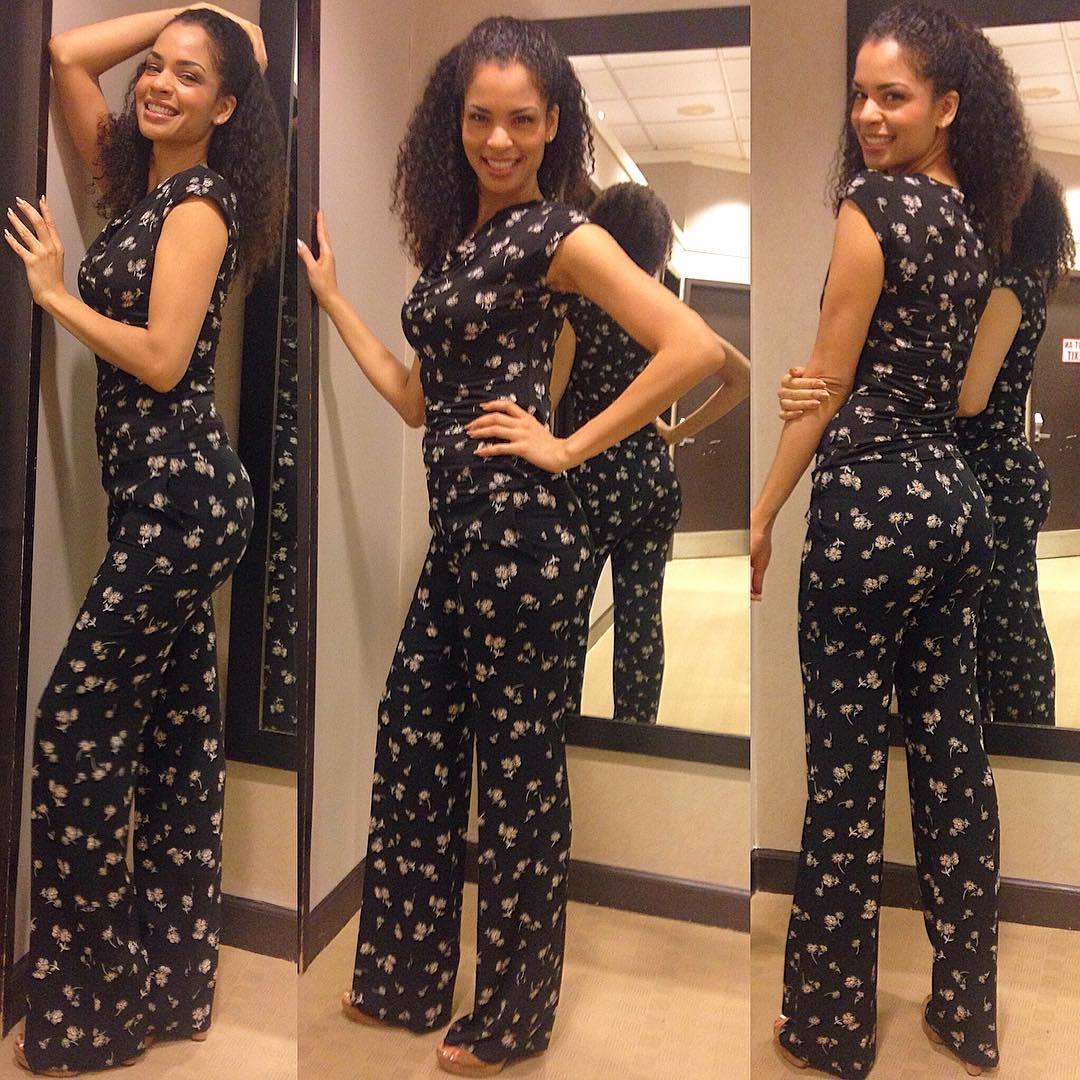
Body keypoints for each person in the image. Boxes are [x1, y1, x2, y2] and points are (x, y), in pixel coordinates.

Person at [298, 16, 740, 1076]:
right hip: (459, 544)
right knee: (413, 744)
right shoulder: (458, 241)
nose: (498, 140)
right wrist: (336, 302)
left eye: (522, 121)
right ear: (452, 123)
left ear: (553, 127)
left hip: (523, 545)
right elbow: (417, 400)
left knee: (518, 781)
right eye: (480, 118)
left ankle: (513, 1014)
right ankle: (405, 978)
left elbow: (694, 346)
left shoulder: (559, 235)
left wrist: (568, 443)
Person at [749, 3, 1030, 1075]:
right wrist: (840, 384)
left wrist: (763, 509)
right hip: (953, 509)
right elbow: (952, 392)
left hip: (869, 509)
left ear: (947, 106)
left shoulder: (871, 205)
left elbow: (824, 387)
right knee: (954, 762)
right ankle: (968, 1008)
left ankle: (829, 1026)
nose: (868, 115)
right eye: (860, 95)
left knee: (846, 777)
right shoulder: (972, 225)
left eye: (894, 96)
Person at [5, 5, 284, 1073]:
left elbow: (165, 359)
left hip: (184, 501)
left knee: (72, 724)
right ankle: (170, 986)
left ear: (227, 107)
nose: (159, 83)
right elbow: (64, 54)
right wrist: (184, 18)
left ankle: (93, 1013)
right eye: (156, 69)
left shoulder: (201, 203)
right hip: (157, 502)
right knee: (172, 744)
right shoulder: (138, 188)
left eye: (190, 76)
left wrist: (51, 294)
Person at [779, 167, 1074, 729]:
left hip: (993, 466)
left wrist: (887, 373)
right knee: (1002, 614)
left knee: (1007, 620)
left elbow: (969, 396)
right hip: (995, 467)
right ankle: (1013, 728)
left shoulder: (1008, 286)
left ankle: (1025, 731)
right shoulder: (1012, 281)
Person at [552, 181, 750, 724]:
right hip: (651, 483)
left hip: (590, 484)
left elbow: (550, 401)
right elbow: (741, 378)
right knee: (642, 617)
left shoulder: (578, 311)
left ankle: (566, 730)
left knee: (569, 618)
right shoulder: (665, 315)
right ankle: (637, 735)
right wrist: (675, 431)